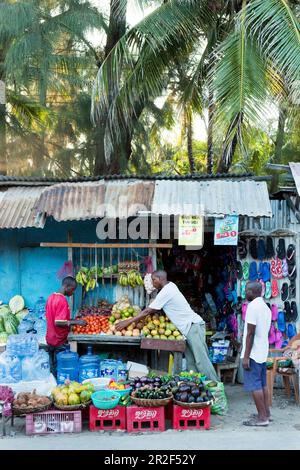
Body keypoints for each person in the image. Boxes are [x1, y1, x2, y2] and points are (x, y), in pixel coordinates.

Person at [116, 270, 219, 381]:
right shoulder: (170, 287)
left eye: (153, 280)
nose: (153, 283)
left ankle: (216, 388)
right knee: (191, 362)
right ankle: (197, 387)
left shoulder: (167, 291)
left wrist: (127, 322)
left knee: (201, 361)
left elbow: (147, 311)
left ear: (159, 279)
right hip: (187, 329)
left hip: (193, 327)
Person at [241, 281, 271, 427]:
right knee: (262, 384)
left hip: (253, 353)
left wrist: (246, 356)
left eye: (246, 290)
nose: (245, 292)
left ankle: (262, 418)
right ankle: (266, 413)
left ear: (252, 292)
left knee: (255, 386)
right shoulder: (265, 307)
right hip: (262, 351)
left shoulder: (253, 307)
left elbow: (250, 333)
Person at [46, 276, 86, 377]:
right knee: (60, 368)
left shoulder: (51, 297)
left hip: (50, 338)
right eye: (72, 290)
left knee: (52, 367)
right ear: (67, 287)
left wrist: (73, 320)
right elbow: (58, 322)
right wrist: (77, 322)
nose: (72, 293)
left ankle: (53, 385)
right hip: (59, 341)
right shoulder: (62, 300)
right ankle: (58, 386)